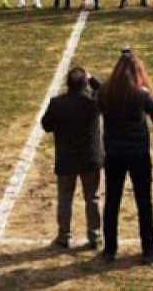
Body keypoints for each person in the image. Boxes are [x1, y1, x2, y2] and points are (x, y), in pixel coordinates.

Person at [98, 49, 153, 263]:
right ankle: (148, 248)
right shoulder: (141, 94)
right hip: (138, 154)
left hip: (114, 153)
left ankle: (110, 248)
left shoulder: (106, 92)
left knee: (112, 201)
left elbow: (99, 103)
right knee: (144, 202)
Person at [40, 67, 104, 250]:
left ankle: (64, 236)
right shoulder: (93, 103)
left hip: (66, 159)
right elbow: (105, 92)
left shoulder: (57, 103)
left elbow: (46, 125)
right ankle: (95, 236)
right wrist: (93, 80)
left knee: (65, 198)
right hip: (90, 159)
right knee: (92, 198)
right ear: (85, 85)